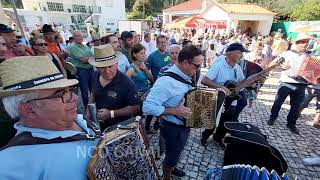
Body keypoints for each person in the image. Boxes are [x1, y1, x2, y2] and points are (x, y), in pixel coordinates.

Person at [0, 56, 98, 179]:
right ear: (29, 109)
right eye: (61, 93)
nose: (74, 97)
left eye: (70, 90)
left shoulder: (77, 119)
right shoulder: (8, 167)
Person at [143, 45, 202, 179]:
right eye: (197, 65)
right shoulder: (166, 81)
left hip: (181, 126)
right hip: (173, 129)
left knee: (175, 154)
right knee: (170, 157)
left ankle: (172, 167)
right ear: (186, 63)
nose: (198, 69)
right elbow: (147, 106)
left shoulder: (185, 74)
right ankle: (167, 175)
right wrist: (175, 110)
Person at [200, 43, 251, 148]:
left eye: (242, 53)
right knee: (213, 122)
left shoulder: (237, 68)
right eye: (239, 53)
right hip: (218, 99)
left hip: (232, 100)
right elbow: (204, 80)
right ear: (229, 54)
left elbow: (242, 82)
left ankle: (218, 138)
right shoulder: (218, 65)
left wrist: (254, 80)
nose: (241, 55)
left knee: (226, 122)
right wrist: (220, 86)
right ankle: (205, 136)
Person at [88, 44, 140, 131]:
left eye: (110, 66)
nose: (107, 71)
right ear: (97, 67)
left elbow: (135, 108)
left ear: (116, 63)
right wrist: (88, 115)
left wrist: (111, 114)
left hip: (120, 129)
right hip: (100, 126)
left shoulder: (126, 83)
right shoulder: (95, 76)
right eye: (102, 68)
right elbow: (93, 95)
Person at [268, 33, 311, 134]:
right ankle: (272, 118)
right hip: (286, 82)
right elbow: (272, 64)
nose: (304, 45)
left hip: (302, 83)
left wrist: (312, 78)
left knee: (296, 106)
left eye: (306, 42)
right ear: (296, 43)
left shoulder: (310, 56)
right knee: (278, 102)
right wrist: (282, 66)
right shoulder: (287, 54)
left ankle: (291, 124)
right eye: (302, 42)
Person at [126, 43, 155, 133]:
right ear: (135, 54)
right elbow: (123, 84)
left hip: (147, 93)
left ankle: (146, 128)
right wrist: (134, 92)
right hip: (138, 97)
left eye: (144, 53)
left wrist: (145, 69)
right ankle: (138, 133)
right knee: (138, 116)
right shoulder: (132, 69)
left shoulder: (143, 64)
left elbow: (151, 79)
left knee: (151, 111)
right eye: (142, 53)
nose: (144, 55)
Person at [69, 30, 94, 108]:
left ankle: (95, 106)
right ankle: (87, 109)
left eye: (80, 35)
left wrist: (90, 58)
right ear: (73, 37)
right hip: (82, 71)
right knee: (84, 92)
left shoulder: (85, 46)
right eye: (77, 36)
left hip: (90, 69)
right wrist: (92, 58)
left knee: (93, 90)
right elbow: (84, 60)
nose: (79, 37)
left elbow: (91, 57)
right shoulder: (73, 47)